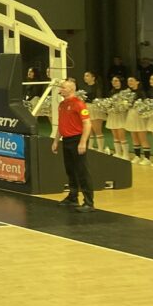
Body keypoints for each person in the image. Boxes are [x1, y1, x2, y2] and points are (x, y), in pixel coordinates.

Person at [53, 79, 94, 212]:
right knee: (70, 170)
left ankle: (89, 202)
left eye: (63, 87)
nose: (60, 89)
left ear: (71, 89)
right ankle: (73, 197)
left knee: (82, 171)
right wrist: (55, 141)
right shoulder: (62, 105)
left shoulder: (79, 104)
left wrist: (83, 142)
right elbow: (61, 124)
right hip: (67, 140)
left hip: (77, 140)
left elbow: (87, 124)